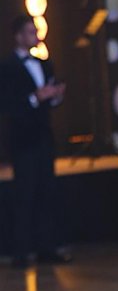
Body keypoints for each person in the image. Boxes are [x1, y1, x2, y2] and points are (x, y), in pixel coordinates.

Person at [0, 15, 68, 268]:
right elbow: (7, 105)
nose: (35, 36)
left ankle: (46, 248)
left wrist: (55, 96)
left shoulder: (44, 63)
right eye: (30, 32)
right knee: (25, 194)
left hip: (43, 137)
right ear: (18, 36)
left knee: (46, 192)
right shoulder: (7, 68)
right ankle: (21, 252)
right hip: (22, 139)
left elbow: (49, 101)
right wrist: (35, 98)